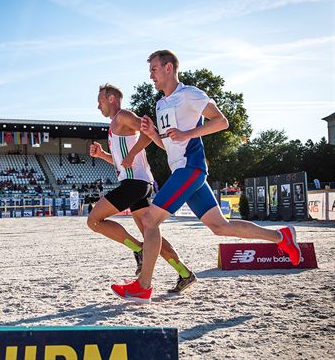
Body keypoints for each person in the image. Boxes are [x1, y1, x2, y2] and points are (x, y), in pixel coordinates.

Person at [111, 50, 302, 304]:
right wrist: (153, 133)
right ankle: (282, 237)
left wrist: (189, 132)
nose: (151, 76)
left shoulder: (189, 94)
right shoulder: (160, 104)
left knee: (150, 221)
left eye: (154, 70)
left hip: (191, 168)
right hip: (182, 169)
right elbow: (168, 145)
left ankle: (143, 287)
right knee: (220, 227)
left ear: (169, 68)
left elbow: (222, 122)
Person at [88, 83, 196, 293]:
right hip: (139, 183)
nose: (98, 105)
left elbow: (149, 132)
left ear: (111, 99)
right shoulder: (115, 126)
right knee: (152, 235)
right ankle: (184, 273)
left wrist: (131, 154)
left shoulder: (123, 116)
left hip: (134, 184)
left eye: (100, 100)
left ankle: (138, 249)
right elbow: (124, 162)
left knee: (94, 220)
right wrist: (102, 155)